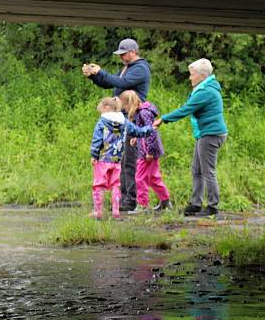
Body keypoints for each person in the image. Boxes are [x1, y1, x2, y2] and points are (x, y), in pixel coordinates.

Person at [82, 38, 151, 212]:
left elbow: (122, 83)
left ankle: (130, 201)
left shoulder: (140, 68)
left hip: (132, 116)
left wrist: (101, 71)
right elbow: (110, 82)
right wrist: (95, 76)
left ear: (133, 52)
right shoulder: (128, 68)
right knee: (121, 159)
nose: (121, 57)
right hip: (122, 117)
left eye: (123, 54)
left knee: (129, 160)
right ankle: (122, 199)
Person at [153, 58, 227, 217]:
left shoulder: (206, 91)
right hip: (205, 134)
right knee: (197, 170)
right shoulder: (204, 88)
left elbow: (186, 109)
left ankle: (212, 207)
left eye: (192, 74)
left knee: (208, 172)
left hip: (211, 134)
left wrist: (163, 119)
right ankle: (196, 204)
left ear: (202, 75)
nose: (189, 77)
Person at [89, 96, 155, 220]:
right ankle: (115, 211)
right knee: (115, 185)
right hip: (117, 161)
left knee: (99, 185)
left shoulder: (102, 122)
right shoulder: (124, 121)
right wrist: (150, 128)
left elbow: (97, 139)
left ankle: (98, 211)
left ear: (106, 108)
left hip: (103, 159)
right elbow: (138, 131)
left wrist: (94, 154)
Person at [119, 90, 172, 213]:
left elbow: (151, 132)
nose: (125, 110)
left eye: (125, 107)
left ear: (129, 104)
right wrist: (136, 138)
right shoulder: (140, 113)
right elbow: (143, 131)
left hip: (148, 152)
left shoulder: (143, 113)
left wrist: (150, 151)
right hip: (147, 150)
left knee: (139, 178)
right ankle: (165, 201)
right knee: (153, 178)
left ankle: (143, 205)